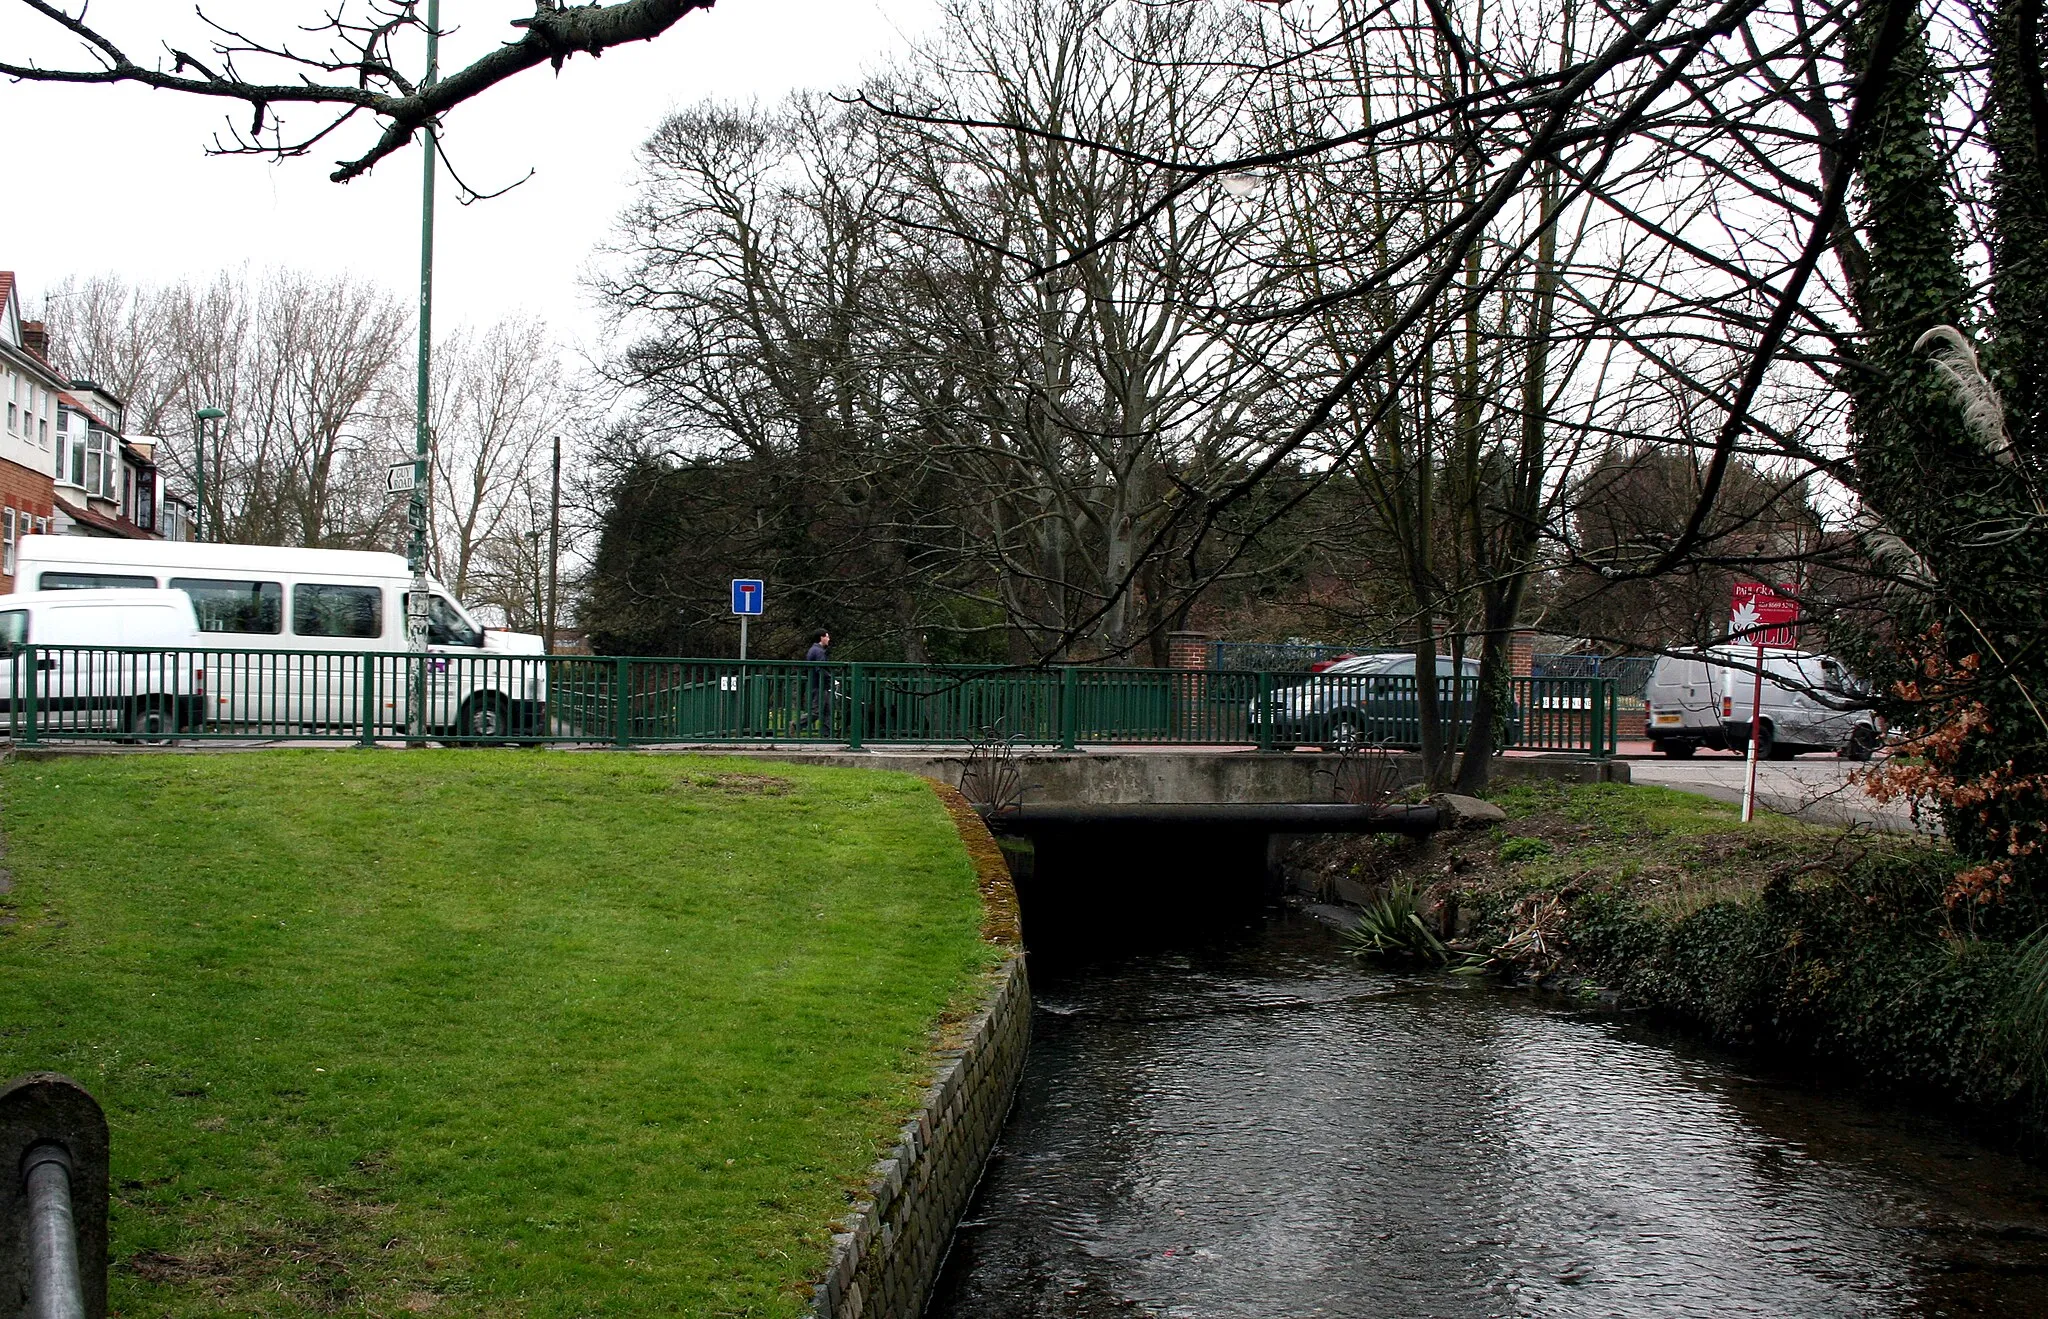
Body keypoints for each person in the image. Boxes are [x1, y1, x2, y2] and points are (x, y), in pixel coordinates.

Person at [803, 630, 832, 731]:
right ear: (821, 638)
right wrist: (830, 678)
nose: (828, 639)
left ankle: (827, 734)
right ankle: (796, 724)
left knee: (827, 710)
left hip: (817, 684)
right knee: (817, 711)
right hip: (819, 685)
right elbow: (820, 668)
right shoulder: (819, 651)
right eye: (827, 637)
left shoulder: (813, 650)